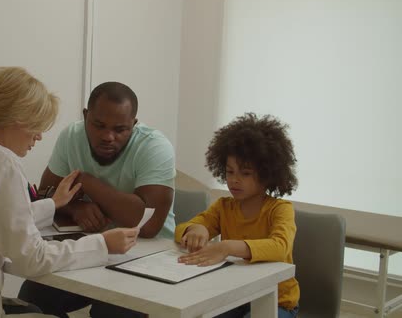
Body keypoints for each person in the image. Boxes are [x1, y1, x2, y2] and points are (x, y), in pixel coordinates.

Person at [0, 67, 139, 318]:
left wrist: (53, 204)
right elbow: (32, 259)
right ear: (19, 119)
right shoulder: (1, 163)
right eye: (37, 126)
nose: (39, 137)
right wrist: (102, 244)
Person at [18, 81, 175, 318]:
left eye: (120, 129)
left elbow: (148, 224)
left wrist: (86, 180)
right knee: (33, 299)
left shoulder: (154, 146)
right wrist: (75, 207)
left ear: (134, 124)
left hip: (145, 258)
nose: (108, 136)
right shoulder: (72, 135)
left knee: (112, 312)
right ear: (85, 116)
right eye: (98, 125)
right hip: (92, 250)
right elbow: (45, 194)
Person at [175, 113, 300, 318]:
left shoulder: (280, 209)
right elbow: (183, 229)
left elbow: (280, 247)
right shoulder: (224, 207)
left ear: (268, 174)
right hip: (234, 297)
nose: (234, 180)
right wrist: (195, 229)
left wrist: (227, 247)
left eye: (245, 173)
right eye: (230, 172)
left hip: (276, 301)